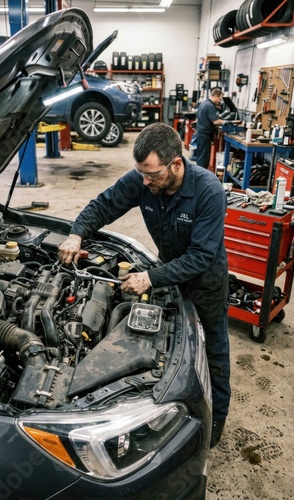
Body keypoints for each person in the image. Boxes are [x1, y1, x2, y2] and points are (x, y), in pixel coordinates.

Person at [58, 122, 231, 448]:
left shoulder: (209, 191)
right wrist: (76, 233)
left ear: (176, 164)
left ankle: (215, 429)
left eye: (152, 174)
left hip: (206, 283)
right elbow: (104, 205)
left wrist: (149, 277)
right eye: (141, 174)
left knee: (214, 355)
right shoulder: (144, 180)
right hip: (169, 275)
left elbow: (201, 256)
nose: (145, 181)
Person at [196, 87, 228, 169]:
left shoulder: (204, 103)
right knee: (204, 158)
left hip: (201, 134)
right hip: (205, 135)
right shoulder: (210, 106)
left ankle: (199, 174)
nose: (219, 101)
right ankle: (201, 177)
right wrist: (226, 122)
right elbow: (215, 121)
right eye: (219, 99)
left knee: (201, 156)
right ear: (215, 96)